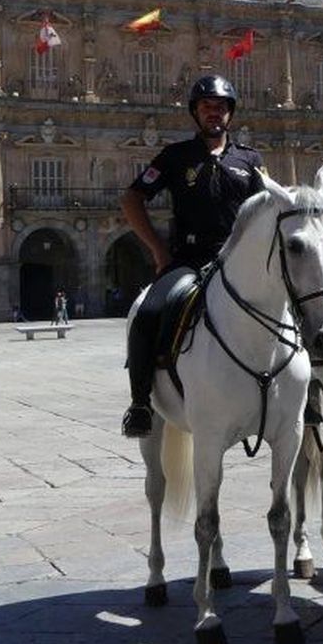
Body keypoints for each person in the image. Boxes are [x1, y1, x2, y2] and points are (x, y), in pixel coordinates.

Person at [118, 75, 266, 437]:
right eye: (206, 106)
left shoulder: (250, 160)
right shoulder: (175, 156)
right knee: (148, 313)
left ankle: (303, 394)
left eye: (220, 107)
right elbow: (132, 198)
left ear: (230, 113)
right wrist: (158, 249)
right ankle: (140, 404)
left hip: (237, 263)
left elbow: (267, 208)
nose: (214, 113)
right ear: (196, 113)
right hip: (189, 260)